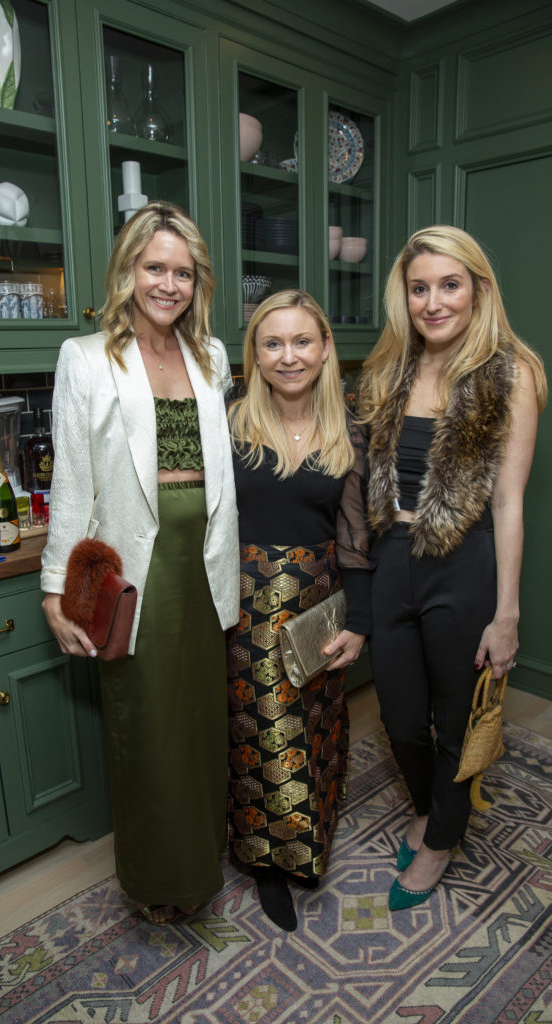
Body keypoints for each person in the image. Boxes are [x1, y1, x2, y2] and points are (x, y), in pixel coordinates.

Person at [41, 201, 240, 925]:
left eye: (182, 271)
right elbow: (73, 483)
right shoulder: (87, 358)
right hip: (136, 571)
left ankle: (201, 861)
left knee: (199, 723)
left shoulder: (211, 357)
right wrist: (55, 591)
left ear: (197, 281)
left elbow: (219, 470)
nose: (168, 283)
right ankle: (158, 880)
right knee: (147, 727)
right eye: (154, 267)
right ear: (127, 271)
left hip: (205, 563)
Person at [357, 225, 547, 911]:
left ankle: (440, 835)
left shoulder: (509, 372)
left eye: (448, 284)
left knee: (457, 716)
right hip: (391, 558)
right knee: (402, 717)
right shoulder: (390, 368)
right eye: (418, 288)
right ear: (403, 297)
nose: (433, 302)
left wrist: (506, 613)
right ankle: (424, 803)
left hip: (461, 561)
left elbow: (507, 501)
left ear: (476, 288)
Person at [227, 289, 372, 931]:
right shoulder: (228, 425)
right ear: (254, 354)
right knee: (261, 732)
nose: (289, 356)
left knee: (317, 723)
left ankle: (312, 830)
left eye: (302, 341)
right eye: (273, 343)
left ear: (324, 349)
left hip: (320, 599)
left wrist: (361, 623)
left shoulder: (351, 431)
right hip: (243, 600)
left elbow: (357, 537)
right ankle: (270, 862)